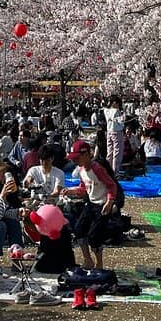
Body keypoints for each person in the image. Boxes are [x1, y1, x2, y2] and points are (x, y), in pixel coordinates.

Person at [60, 140, 121, 271]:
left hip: (102, 205)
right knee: (79, 229)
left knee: (94, 236)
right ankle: (88, 259)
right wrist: (70, 191)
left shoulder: (97, 169)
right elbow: (83, 189)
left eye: (77, 158)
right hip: (91, 203)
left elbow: (111, 185)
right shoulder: (81, 170)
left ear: (87, 155)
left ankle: (99, 263)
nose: (75, 161)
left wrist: (110, 202)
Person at [103, 95, 126, 176]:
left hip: (109, 131)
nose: (119, 105)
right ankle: (115, 171)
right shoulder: (116, 111)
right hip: (117, 132)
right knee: (117, 152)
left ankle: (108, 170)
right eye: (118, 103)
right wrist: (124, 116)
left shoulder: (106, 110)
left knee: (109, 152)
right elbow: (121, 121)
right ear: (115, 103)